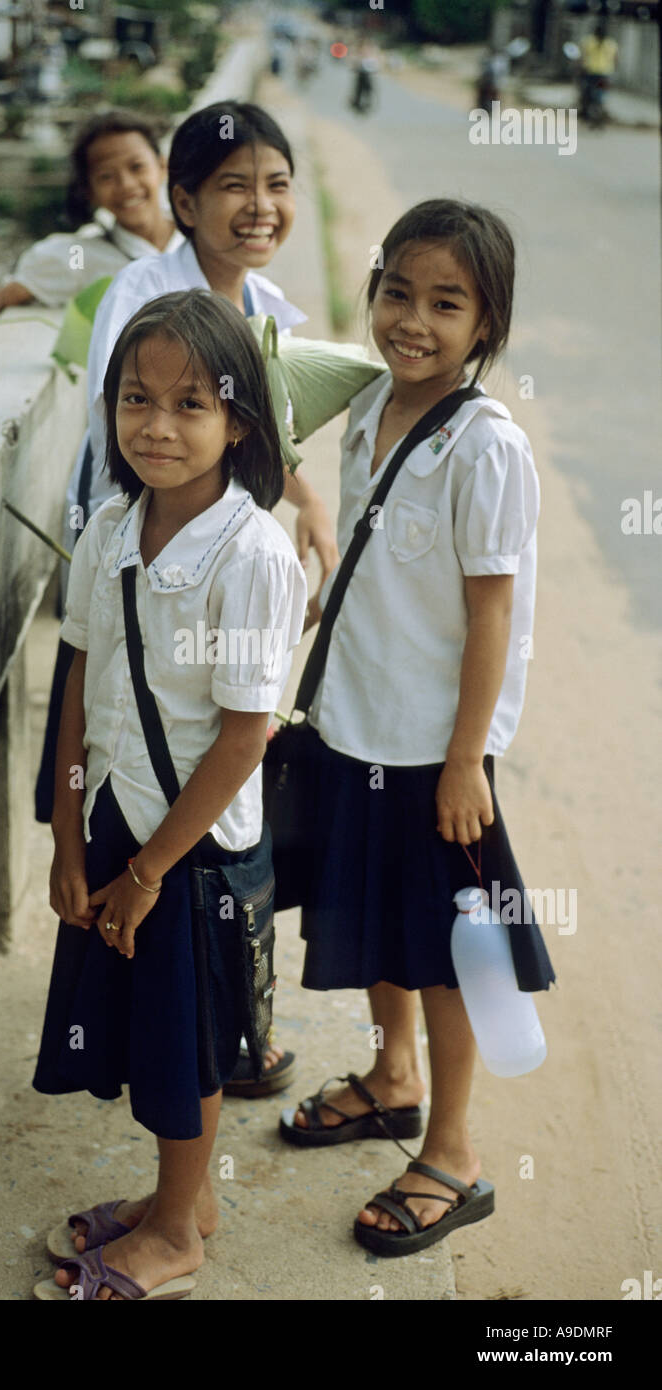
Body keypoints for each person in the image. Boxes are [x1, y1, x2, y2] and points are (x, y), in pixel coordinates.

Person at [33, 102, 339, 1099]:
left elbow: (245, 731)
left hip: (195, 623)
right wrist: (75, 843)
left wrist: (305, 504)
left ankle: (223, 1049)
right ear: (184, 200)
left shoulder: (266, 310)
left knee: (189, 899)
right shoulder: (143, 294)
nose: (259, 207)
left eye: (277, 184)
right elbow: (116, 446)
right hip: (127, 578)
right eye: (236, 186)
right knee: (117, 852)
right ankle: (201, 1052)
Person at [279, 200, 555, 1255]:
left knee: (448, 952)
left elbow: (492, 614)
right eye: (398, 291)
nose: (414, 320)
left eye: (447, 304)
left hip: (434, 750)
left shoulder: (484, 449)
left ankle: (452, 1150)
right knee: (374, 926)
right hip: (353, 723)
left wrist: (463, 762)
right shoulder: (368, 407)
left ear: (486, 325)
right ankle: (392, 1077)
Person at [32, 289, 307, 1300]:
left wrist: (147, 870)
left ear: (238, 422)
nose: (156, 425)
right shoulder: (110, 527)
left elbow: (245, 738)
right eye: (135, 399)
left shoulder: (252, 556)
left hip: (190, 851)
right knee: (151, 1022)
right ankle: (181, 1202)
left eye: (191, 404)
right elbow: (76, 681)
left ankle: (178, 1238)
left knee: (185, 1042)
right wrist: (69, 840)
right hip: (115, 816)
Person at [0, 110, 181, 343]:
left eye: (137, 167)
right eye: (106, 176)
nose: (126, 185)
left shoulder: (203, 236)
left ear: (162, 167)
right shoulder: (79, 257)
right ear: (89, 191)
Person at [578, 21, 618, 123]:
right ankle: (597, 113)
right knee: (599, 95)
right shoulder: (611, 44)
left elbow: (582, 57)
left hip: (591, 73)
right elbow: (615, 60)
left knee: (588, 93)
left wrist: (579, 69)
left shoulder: (588, 41)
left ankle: (589, 113)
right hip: (604, 74)